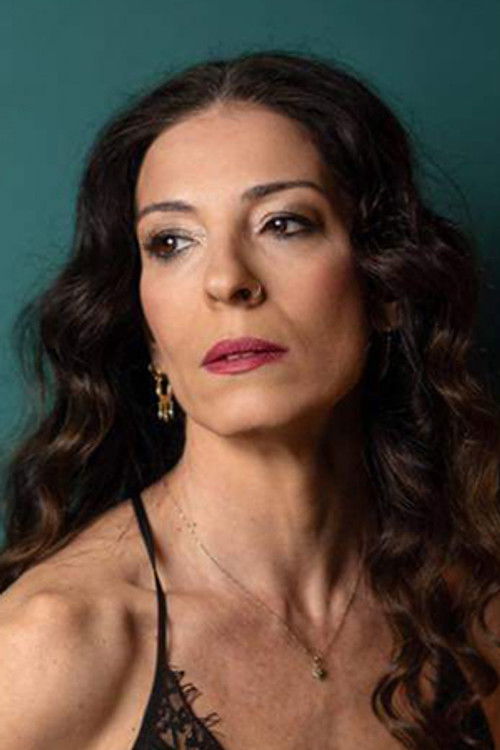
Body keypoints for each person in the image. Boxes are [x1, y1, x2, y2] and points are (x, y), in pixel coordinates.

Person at [0, 49, 499, 750]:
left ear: (386, 285)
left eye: (283, 223)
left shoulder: (468, 603)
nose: (227, 280)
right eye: (171, 241)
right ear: (149, 333)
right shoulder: (53, 641)